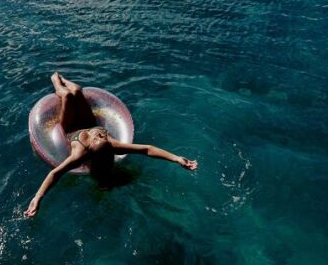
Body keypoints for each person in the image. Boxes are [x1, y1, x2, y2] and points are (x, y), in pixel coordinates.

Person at [24, 72, 198, 217]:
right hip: (88, 121)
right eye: (100, 136)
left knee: (69, 95)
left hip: (70, 128)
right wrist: (177, 158)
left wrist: (37, 198)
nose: (100, 134)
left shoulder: (82, 153)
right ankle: (58, 79)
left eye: (99, 137)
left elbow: (56, 174)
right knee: (77, 90)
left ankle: (55, 80)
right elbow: (146, 148)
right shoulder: (108, 143)